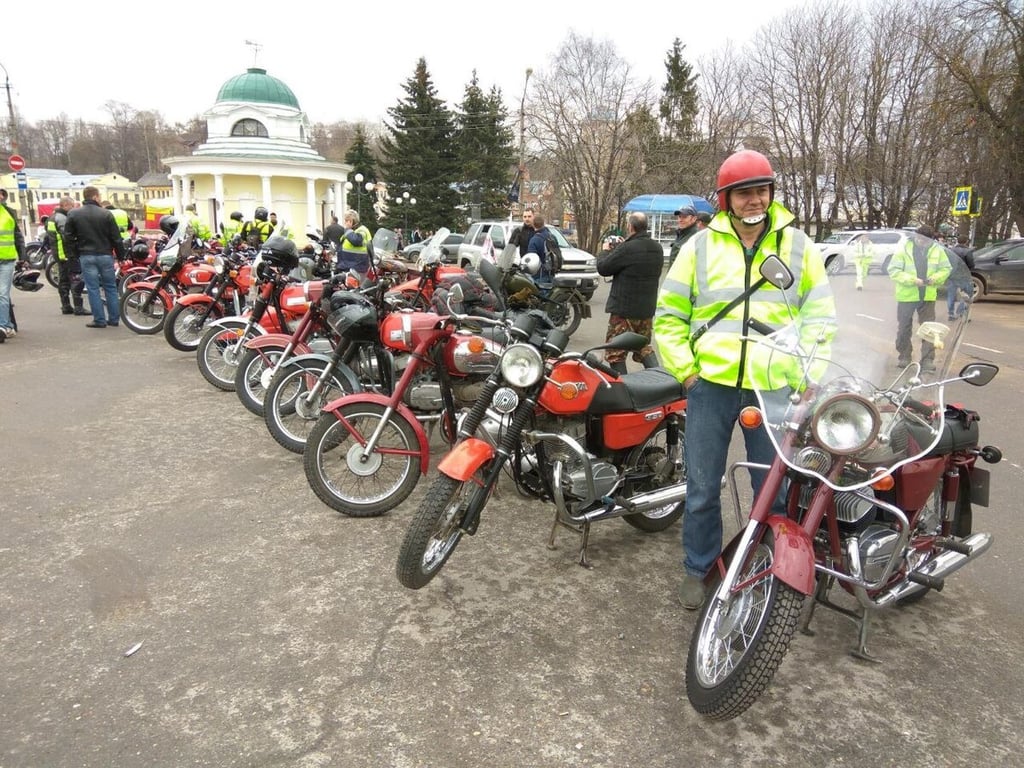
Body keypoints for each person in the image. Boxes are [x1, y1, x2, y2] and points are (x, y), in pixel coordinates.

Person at [654, 149, 836, 610]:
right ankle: (698, 568)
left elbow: (820, 319)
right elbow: (669, 317)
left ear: (771, 194)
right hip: (710, 385)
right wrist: (688, 372)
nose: (754, 201)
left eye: (761, 191)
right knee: (701, 486)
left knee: (772, 489)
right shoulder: (698, 247)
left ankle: (765, 570)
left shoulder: (798, 246)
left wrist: (807, 375)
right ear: (726, 199)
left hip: (772, 387)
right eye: (744, 193)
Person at [596, 211, 663, 373]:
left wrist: (605, 251)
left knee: (615, 353)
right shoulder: (657, 248)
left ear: (630, 226)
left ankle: (623, 386)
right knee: (643, 347)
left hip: (624, 312)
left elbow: (604, 268)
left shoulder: (627, 248)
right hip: (646, 311)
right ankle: (660, 377)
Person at [886, 224, 951, 371]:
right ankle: (904, 356)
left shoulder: (937, 250)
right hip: (907, 295)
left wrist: (936, 278)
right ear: (916, 236)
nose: (923, 243)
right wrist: (912, 280)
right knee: (904, 328)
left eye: (926, 241)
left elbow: (946, 269)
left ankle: (927, 360)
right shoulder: (903, 249)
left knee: (930, 329)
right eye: (921, 240)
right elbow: (894, 270)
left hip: (927, 295)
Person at [64, 185, 126, 328]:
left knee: (93, 288)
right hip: (105, 254)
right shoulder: (106, 214)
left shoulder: (74, 214)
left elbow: (68, 237)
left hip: (86, 255)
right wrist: (121, 255)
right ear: (95, 197)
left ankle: (99, 320)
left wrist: (72, 255)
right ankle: (114, 319)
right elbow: (116, 237)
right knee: (110, 287)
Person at [48, 196, 88, 316]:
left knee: (64, 280)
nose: (73, 208)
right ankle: (78, 307)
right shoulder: (62, 218)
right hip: (67, 253)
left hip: (58, 253)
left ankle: (66, 306)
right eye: (71, 206)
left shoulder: (52, 217)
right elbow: (67, 236)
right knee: (76, 279)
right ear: (65, 205)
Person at [0, 187, 27, 340]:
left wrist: (23, 256)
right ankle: (8, 325)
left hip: (7, 260)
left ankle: (2, 327)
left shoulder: (9, 212)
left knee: (2, 294)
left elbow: (17, 235)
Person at [947, 234, 975, 320]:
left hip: (953, 274)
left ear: (957, 241)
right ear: (966, 241)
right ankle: (961, 311)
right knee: (966, 294)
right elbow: (971, 264)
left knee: (951, 295)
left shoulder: (951, 250)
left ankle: (951, 314)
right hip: (964, 275)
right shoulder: (968, 251)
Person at [338, 209, 372, 277]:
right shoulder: (352, 231)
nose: (345, 223)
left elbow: (356, 240)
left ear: (352, 221)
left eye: (347, 220)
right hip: (348, 266)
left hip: (357, 268)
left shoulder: (362, 230)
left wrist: (347, 229)